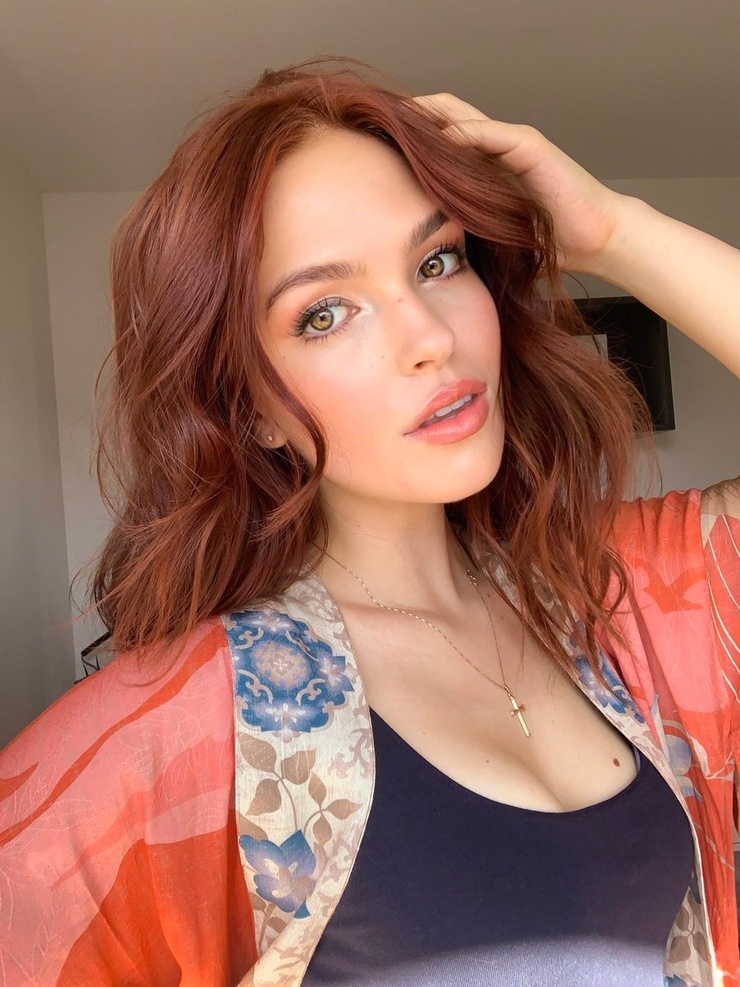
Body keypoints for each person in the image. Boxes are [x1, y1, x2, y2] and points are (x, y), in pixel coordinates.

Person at [0, 58, 738, 987]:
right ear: (252, 407)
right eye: (325, 313)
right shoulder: (178, 730)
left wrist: (612, 229)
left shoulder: (620, 595)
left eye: (437, 261)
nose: (431, 335)